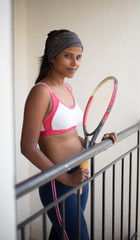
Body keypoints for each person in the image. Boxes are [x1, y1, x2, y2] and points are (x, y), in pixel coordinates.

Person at [21, 29, 117, 240]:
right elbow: (27, 147)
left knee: (61, 236)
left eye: (78, 57)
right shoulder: (41, 92)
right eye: (68, 56)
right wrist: (66, 178)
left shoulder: (68, 88)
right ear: (52, 56)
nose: (75, 63)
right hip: (59, 183)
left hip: (79, 174)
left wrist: (97, 143)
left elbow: (71, 136)